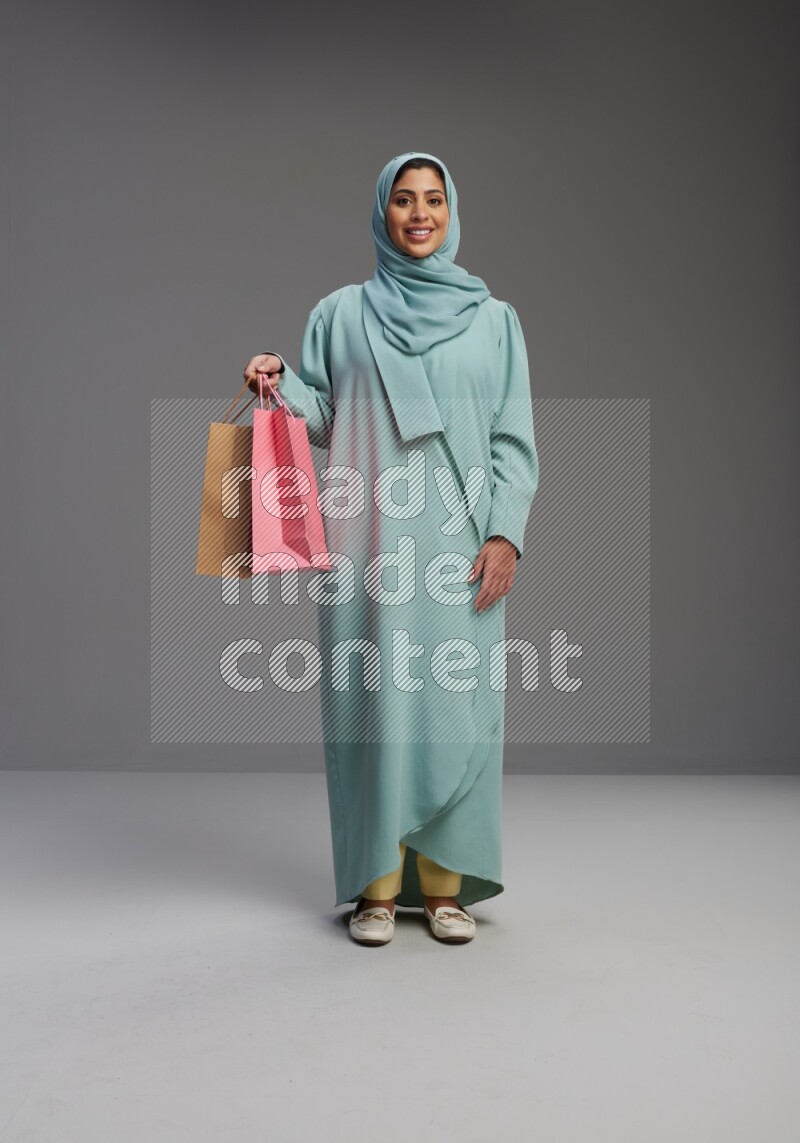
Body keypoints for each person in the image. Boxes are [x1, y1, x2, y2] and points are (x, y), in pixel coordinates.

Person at [243, 151, 539, 946]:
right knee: (370, 709)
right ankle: (374, 885)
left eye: (433, 200)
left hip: (458, 548)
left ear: (451, 210)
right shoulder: (340, 313)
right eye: (404, 200)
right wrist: (278, 380)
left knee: (452, 708)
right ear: (382, 211)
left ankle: (444, 888)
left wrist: (506, 532)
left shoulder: (495, 320)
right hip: (365, 541)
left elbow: (514, 438)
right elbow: (321, 411)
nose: (418, 213)